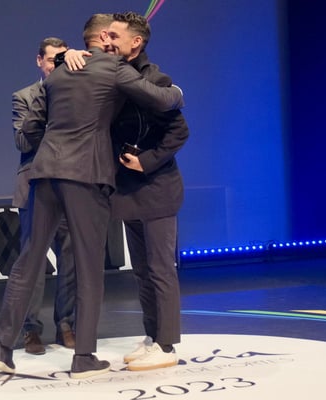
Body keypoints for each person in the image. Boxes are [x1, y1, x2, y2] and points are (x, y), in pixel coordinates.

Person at [0, 13, 184, 379]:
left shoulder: (58, 72)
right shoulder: (113, 69)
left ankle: (1, 349)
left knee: (27, 261)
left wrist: (67, 58)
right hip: (86, 175)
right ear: (105, 38)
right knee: (89, 268)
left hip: (44, 171)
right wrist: (178, 92)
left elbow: (34, 126)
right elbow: (161, 99)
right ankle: (84, 358)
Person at [108, 12, 189, 371]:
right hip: (129, 192)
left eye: (115, 36)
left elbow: (179, 131)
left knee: (160, 269)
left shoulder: (155, 80)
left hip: (158, 189)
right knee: (142, 270)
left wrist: (148, 161)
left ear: (135, 42)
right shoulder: (114, 77)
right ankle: (153, 336)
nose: (108, 42)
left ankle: (167, 346)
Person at [12, 37, 76, 355]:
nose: (55, 66)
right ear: (39, 61)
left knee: (71, 260)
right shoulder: (24, 97)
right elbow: (23, 143)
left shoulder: (77, 94)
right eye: (51, 60)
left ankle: (66, 325)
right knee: (33, 264)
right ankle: (30, 330)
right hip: (36, 186)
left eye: (61, 60)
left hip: (70, 185)